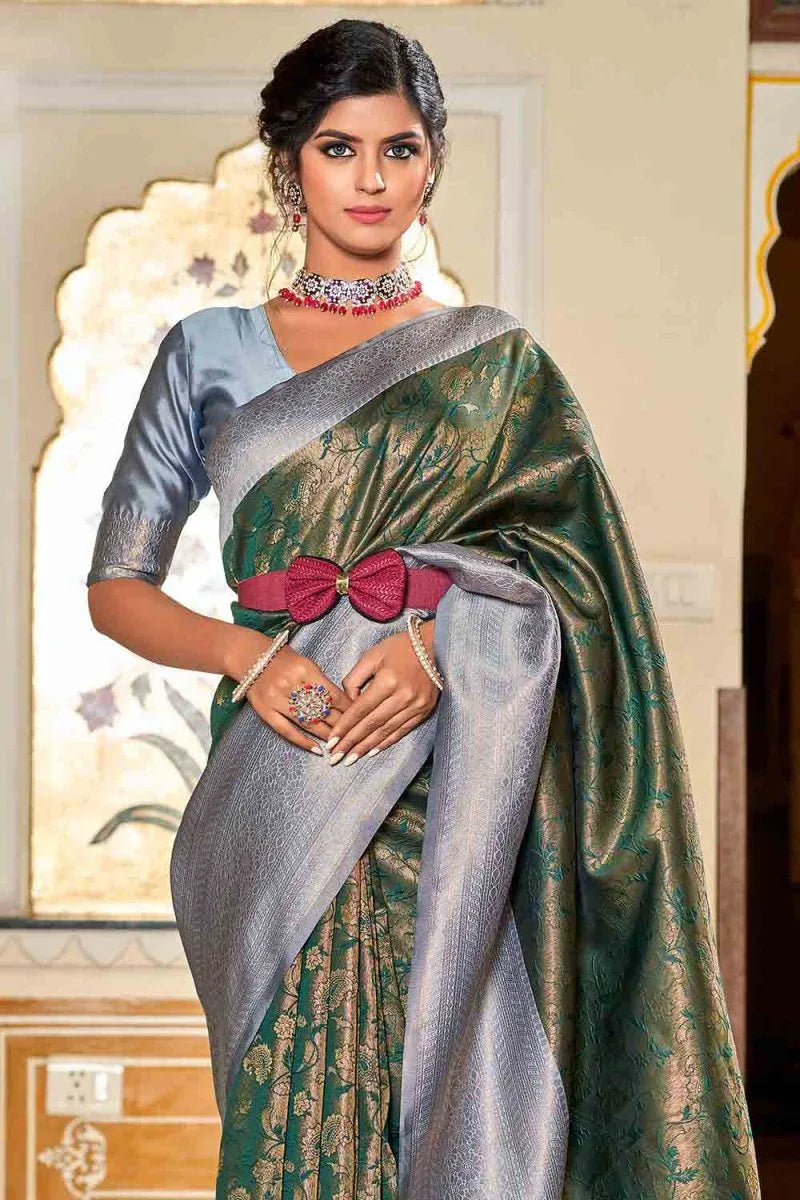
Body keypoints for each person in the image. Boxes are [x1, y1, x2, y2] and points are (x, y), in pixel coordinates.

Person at [86, 18, 760, 1200]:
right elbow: (116, 590)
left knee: (449, 1100)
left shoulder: (493, 364)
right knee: (291, 1105)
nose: (370, 179)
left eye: (398, 149)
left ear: (431, 161)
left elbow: (577, 571)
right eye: (338, 148)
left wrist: (443, 638)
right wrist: (250, 657)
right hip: (278, 776)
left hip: (455, 792)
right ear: (288, 161)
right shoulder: (206, 354)